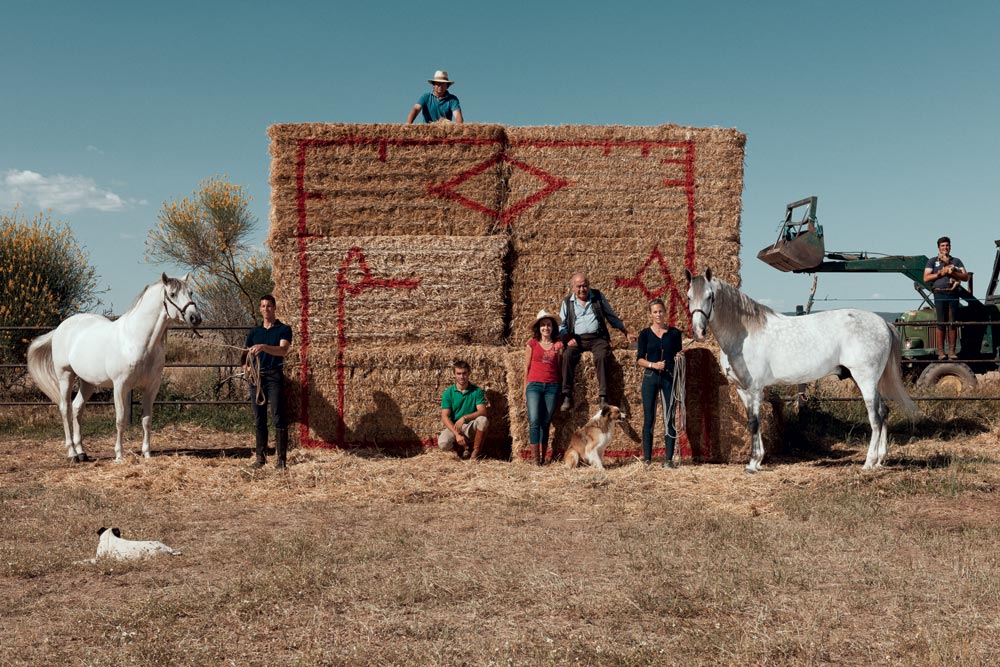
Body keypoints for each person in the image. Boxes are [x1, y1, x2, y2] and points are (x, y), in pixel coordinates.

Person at [558, 272, 637, 411]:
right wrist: (567, 338)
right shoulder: (567, 302)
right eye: (579, 286)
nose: (582, 289)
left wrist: (626, 332)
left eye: (585, 286)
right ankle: (567, 395)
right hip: (576, 339)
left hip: (597, 337)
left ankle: (603, 396)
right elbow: (561, 326)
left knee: (602, 356)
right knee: (567, 356)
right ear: (573, 288)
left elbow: (611, 316)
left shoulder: (598, 297)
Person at [243, 294, 293, 469]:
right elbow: (245, 357)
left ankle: (281, 460)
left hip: (274, 376)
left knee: (278, 416)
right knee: (259, 419)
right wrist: (247, 368)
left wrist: (263, 347)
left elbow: (283, 350)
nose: (266, 309)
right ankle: (260, 458)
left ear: (275, 308)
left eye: (269, 306)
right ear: (260, 309)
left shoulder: (283, 329)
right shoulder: (254, 332)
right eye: (263, 306)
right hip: (257, 379)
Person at [636, 298, 683, 467]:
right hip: (650, 378)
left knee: (668, 418)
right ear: (650, 314)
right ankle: (647, 459)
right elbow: (639, 359)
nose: (658, 314)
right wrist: (653, 365)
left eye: (660, 311)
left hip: (669, 378)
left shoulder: (675, 333)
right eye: (655, 312)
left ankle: (668, 460)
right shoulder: (645, 334)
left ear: (665, 312)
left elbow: (679, 354)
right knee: (649, 418)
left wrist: (679, 358)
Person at [523, 310, 563, 465]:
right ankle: (535, 459)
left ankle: (543, 457)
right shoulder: (532, 344)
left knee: (546, 422)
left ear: (552, 328)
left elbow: (559, 369)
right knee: (534, 420)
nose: (545, 328)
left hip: (552, 386)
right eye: (543, 325)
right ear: (538, 328)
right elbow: (526, 368)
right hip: (534, 386)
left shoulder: (558, 345)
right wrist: (524, 390)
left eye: (548, 325)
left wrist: (560, 388)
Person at [923, 236, 968, 360]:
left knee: (952, 322)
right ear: (938, 248)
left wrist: (951, 272)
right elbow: (926, 278)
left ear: (950, 247)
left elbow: (965, 277)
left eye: (947, 245)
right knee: (941, 322)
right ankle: (941, 352)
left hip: (953, 293)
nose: (945, 248)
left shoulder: (956, 261)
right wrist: (940, 273)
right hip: (939, 293)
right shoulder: (932, 261)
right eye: (942, 246)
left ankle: (952, 352)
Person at [438, 359, 489, 460]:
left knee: (483, 420)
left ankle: (475, 453)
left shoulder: (477, 391)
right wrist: (457, 434)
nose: (462, 376)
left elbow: (483, 412)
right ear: (454, 375)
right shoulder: (448, 393)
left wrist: (464, 418)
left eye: (464, 373)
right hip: (455, 427)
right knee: (443, 443)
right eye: (459, 373)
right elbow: (444, 416)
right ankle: (460, 450)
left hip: (470, 425)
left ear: (469, 373)